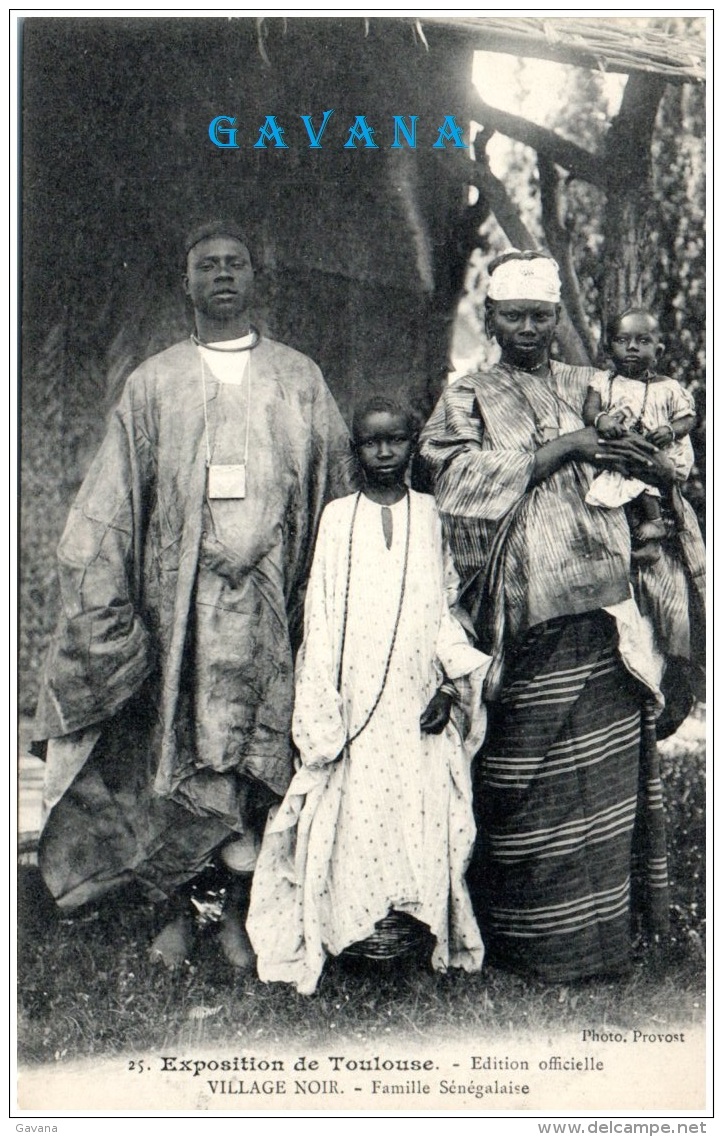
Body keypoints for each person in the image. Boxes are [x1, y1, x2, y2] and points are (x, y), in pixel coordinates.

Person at [31, 220, 355, 968]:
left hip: (274, 621)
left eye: (234, 263)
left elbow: (338, 493)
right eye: (206, 265)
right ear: (186, 283)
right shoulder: (154, 384)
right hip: (177, 624)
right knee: (174, 765)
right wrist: (111, 615)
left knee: (252, 766)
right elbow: (108, 507)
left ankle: (240, 915)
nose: (221, 275)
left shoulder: (299, 380)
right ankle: (175, 911)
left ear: (253, 278)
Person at [419, 250, 674, 983]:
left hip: (603, 608)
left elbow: (645, 447)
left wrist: (623, 449)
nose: (527, 328)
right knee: (519, 773)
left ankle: (601, 945)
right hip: (520, 614)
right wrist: (566, 447)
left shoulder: (589, 385)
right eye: (512, 315)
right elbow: (452, 476)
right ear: (491, 319)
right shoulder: (468, 394)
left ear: (558, 318)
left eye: (539, 315)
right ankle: (531, 943)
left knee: (603, 776)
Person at [246, 398, 491, 995]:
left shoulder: (434, 516)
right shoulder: (337, 518)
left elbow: (447, 607)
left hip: (417, 703)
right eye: (370, 443)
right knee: (353, 817)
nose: (384, 453)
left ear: (413, 444)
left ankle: (415, 945)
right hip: (354, 704)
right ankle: (352, 941)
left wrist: (449, 689)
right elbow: (322, 616)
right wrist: (323, 708)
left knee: (420, 819)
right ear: (354, 450)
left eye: (396, 441)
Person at [582, 308, 697, 565]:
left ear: (658, 352)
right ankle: (645, 544)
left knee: (646, 478)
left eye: (643, 341)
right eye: (622, 341)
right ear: (609, 348)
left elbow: (688, 417)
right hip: (623, 447)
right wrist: (603, 419)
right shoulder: (603, 381)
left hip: (660, 451)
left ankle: (657, 526)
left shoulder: (668, 387)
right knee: (621, 492)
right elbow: (590, 409)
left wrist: (670, 430)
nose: (631, 347)